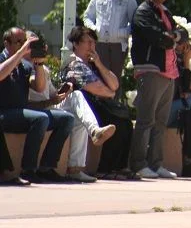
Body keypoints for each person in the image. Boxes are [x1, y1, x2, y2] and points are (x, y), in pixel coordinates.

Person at [27, 28, 116, 183]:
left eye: (38, 45)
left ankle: (75, 169)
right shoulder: (25, 67)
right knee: (78, 97)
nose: (92, 46)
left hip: (50, 106)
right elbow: (38, 88)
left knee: (79, 113)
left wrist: (60, 94)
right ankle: (94, 131)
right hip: (36, 109)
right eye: (31, 45)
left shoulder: (43, 68)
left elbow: (51, 94)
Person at [62, 27, 137, 180]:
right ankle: (105, 169)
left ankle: (119, 166)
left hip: (97, 105)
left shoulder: (93, 65)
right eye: (88, 42)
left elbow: (114, 84)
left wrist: (99, 63)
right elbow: (95, 88)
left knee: (126, 123)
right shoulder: (74, 64)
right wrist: (109, 92)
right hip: (83, 107)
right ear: (76, 44)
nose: (92, 46)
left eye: (94, 42)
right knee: (115, 121)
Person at [0, 27, 73, 183]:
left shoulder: (25, 66)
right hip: (4, 114)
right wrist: (21, 53)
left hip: (21, 114)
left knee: (66, 119)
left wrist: (39, 64)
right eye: (19, 42)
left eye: (25, 42)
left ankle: (47, 167)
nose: (23, 46)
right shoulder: (2, 60)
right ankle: (28, 169)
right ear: (6, 43)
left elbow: (39, 87)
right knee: (40, 118)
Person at [130, 0, 185, 180]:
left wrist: (175, 36)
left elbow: (182, 33)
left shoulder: (165, 11)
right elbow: (158, 38)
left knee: (161, 121)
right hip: (151, 70)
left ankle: (156, 164)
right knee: (146, 120)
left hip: (169, 72)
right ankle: (138, 164)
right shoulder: (143, 12)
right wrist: (173, 38)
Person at [83, 0, 138, 89]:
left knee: (114, 81)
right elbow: (87, 16)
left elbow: (135, 23)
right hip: (100, 44)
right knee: (99, 79)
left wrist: (121, 33)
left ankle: (114, 102)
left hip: (118, 46)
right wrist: (94, 29)